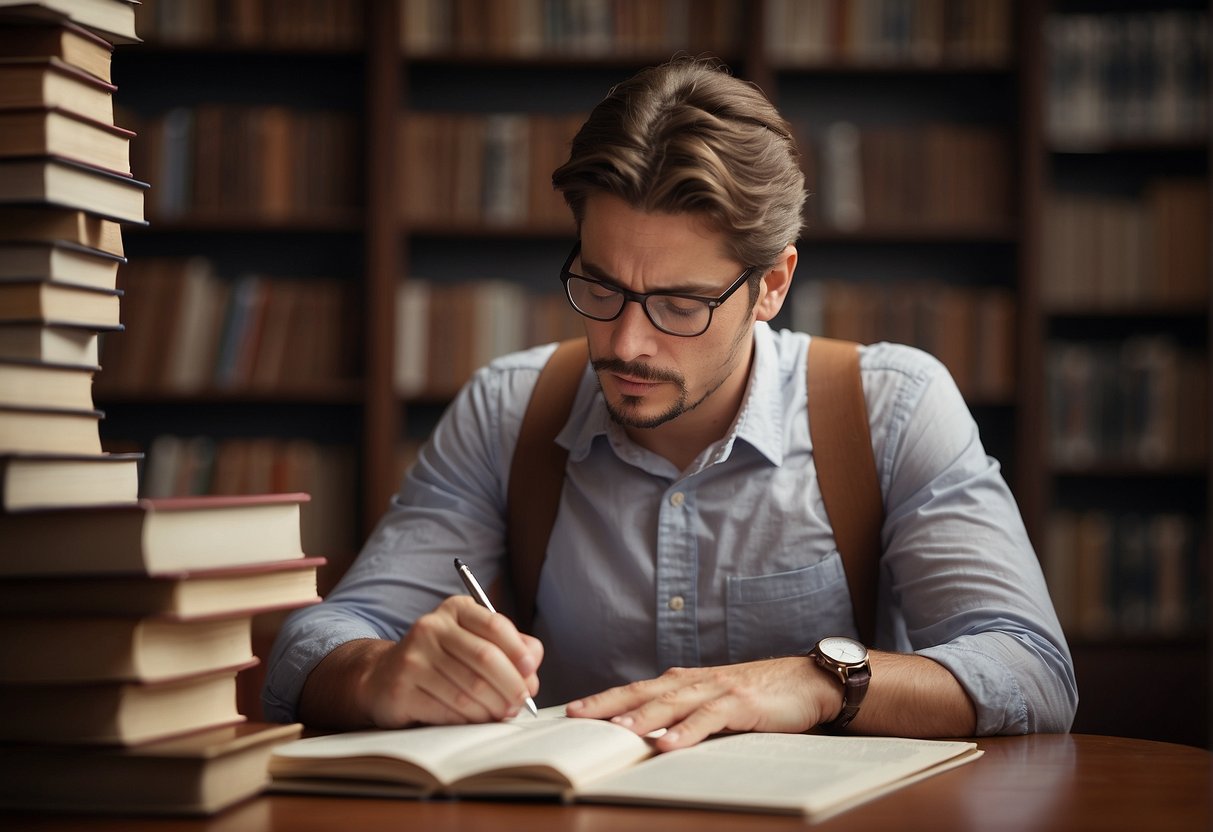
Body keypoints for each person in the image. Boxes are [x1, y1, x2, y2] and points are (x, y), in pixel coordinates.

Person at [263, 58, 1077, 751]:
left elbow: (1030, 670)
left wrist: (815, 680)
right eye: (600, 286)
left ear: (771, 285)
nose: (625, 344)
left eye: (680, 304)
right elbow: (319, 640)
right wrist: (381, 673)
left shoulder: (891, 408)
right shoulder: (508, 409)